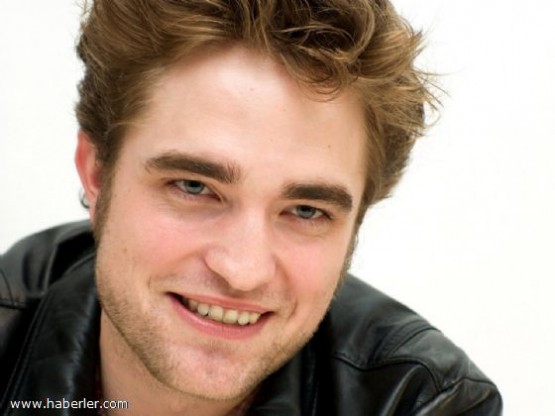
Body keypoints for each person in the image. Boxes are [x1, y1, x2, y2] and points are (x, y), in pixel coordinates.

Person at [0, 0, 502, 414]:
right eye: (194, 187)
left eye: (306, 210)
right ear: (96, 173)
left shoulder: (420, 403)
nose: (243, 272)